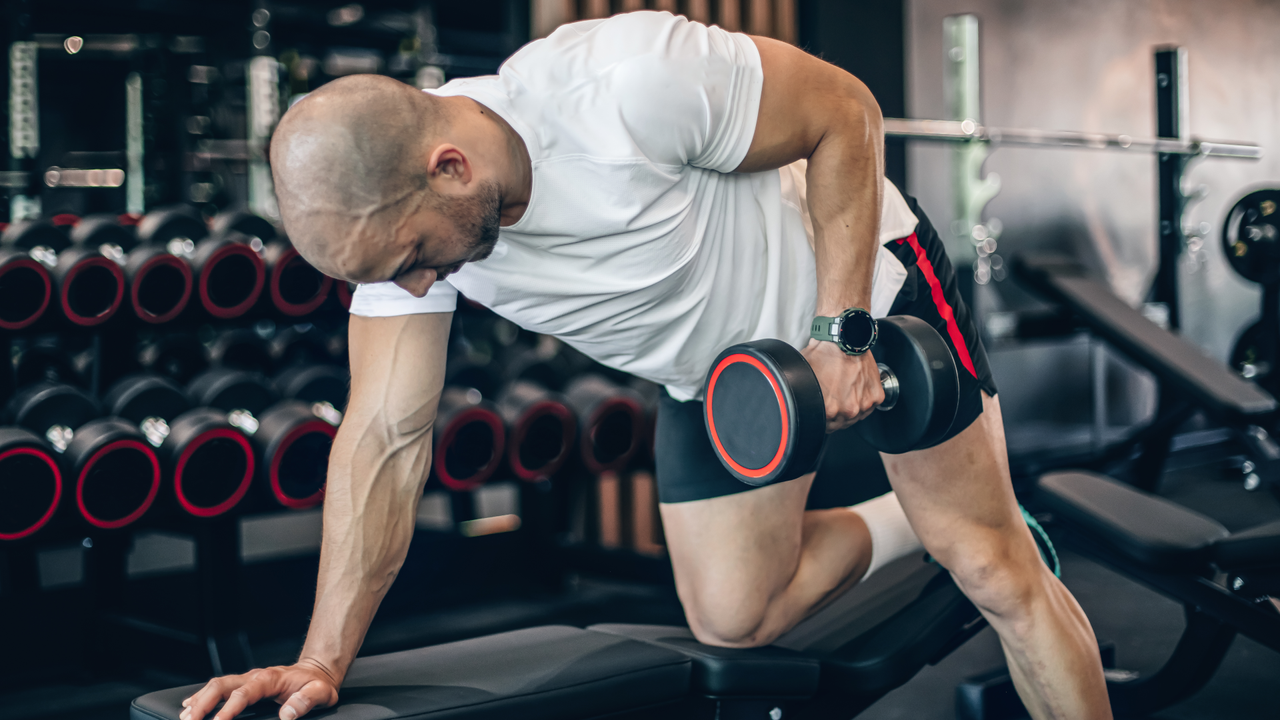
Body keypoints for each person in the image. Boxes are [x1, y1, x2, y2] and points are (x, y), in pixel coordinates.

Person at [179, 11, 1111, 720]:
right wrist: (320, 661)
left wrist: (843, 330)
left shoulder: (626, 85)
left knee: (995, 572)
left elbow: (846, 115)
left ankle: (982, 530)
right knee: (735, 616)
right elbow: (385, 437)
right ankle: (924, 521)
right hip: (721, 374)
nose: (417, 284)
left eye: (415, 257)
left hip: (870, 290)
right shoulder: (407, 231)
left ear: (450, 167)